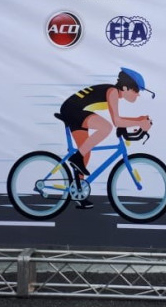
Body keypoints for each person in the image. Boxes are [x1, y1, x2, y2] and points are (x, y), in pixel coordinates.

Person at [57, 67, 153, 209]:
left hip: (72, 109)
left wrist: (138, 120)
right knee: (105, 127)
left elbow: (118, 119)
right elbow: (117, 122)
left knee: (85, 152)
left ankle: (78, 192)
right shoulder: (113, 92)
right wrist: (139, 122)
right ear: (125, 87)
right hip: (73, 110)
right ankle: (76, 158)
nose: (138, 95)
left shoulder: (114, 93)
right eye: (136, 91)